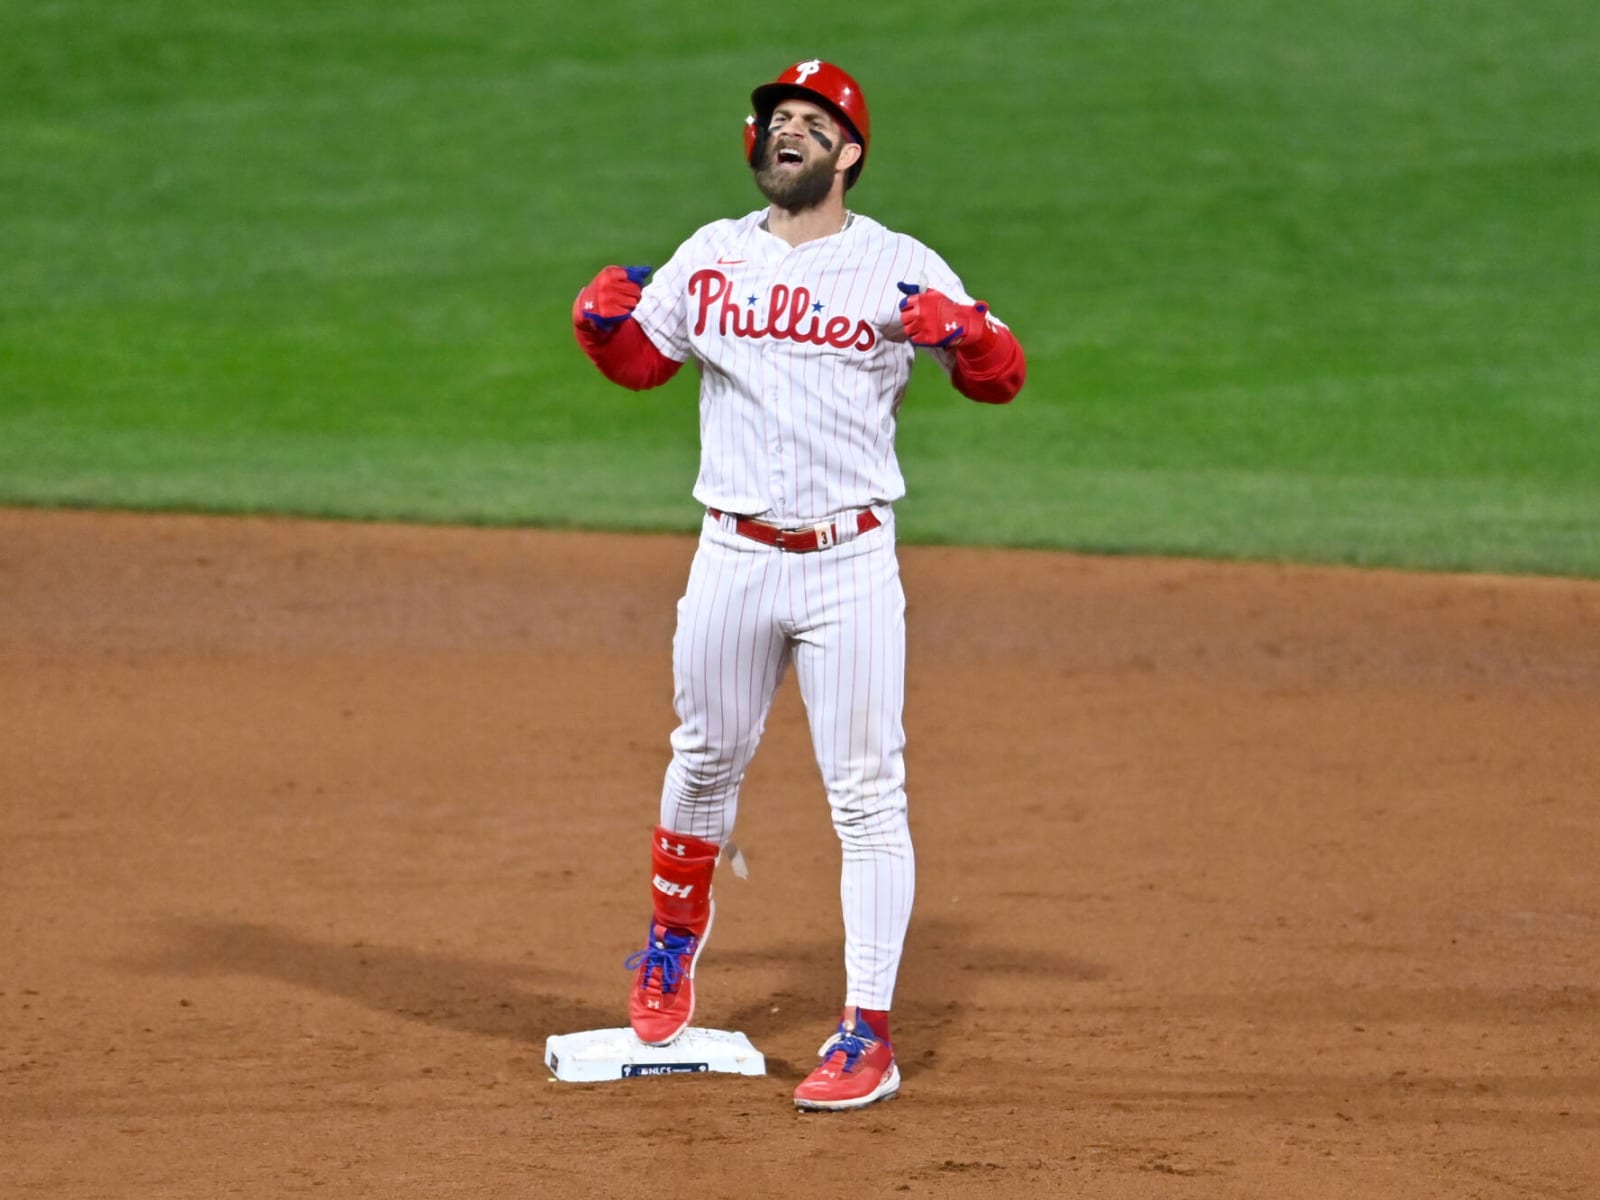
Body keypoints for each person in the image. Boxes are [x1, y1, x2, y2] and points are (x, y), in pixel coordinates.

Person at [571, 59, 1025, 1111]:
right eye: (776, 118)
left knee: (868, 796)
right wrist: (601, 332)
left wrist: (967, 333)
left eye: (811, 123)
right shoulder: (711, 255)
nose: (787, 132)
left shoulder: (900, 266)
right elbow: (647, 362)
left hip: (849, 564)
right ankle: (668, 953)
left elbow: (999, 378)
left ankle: (866, 1031)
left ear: (848, 153)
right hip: (731, 554)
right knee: (701, 761)